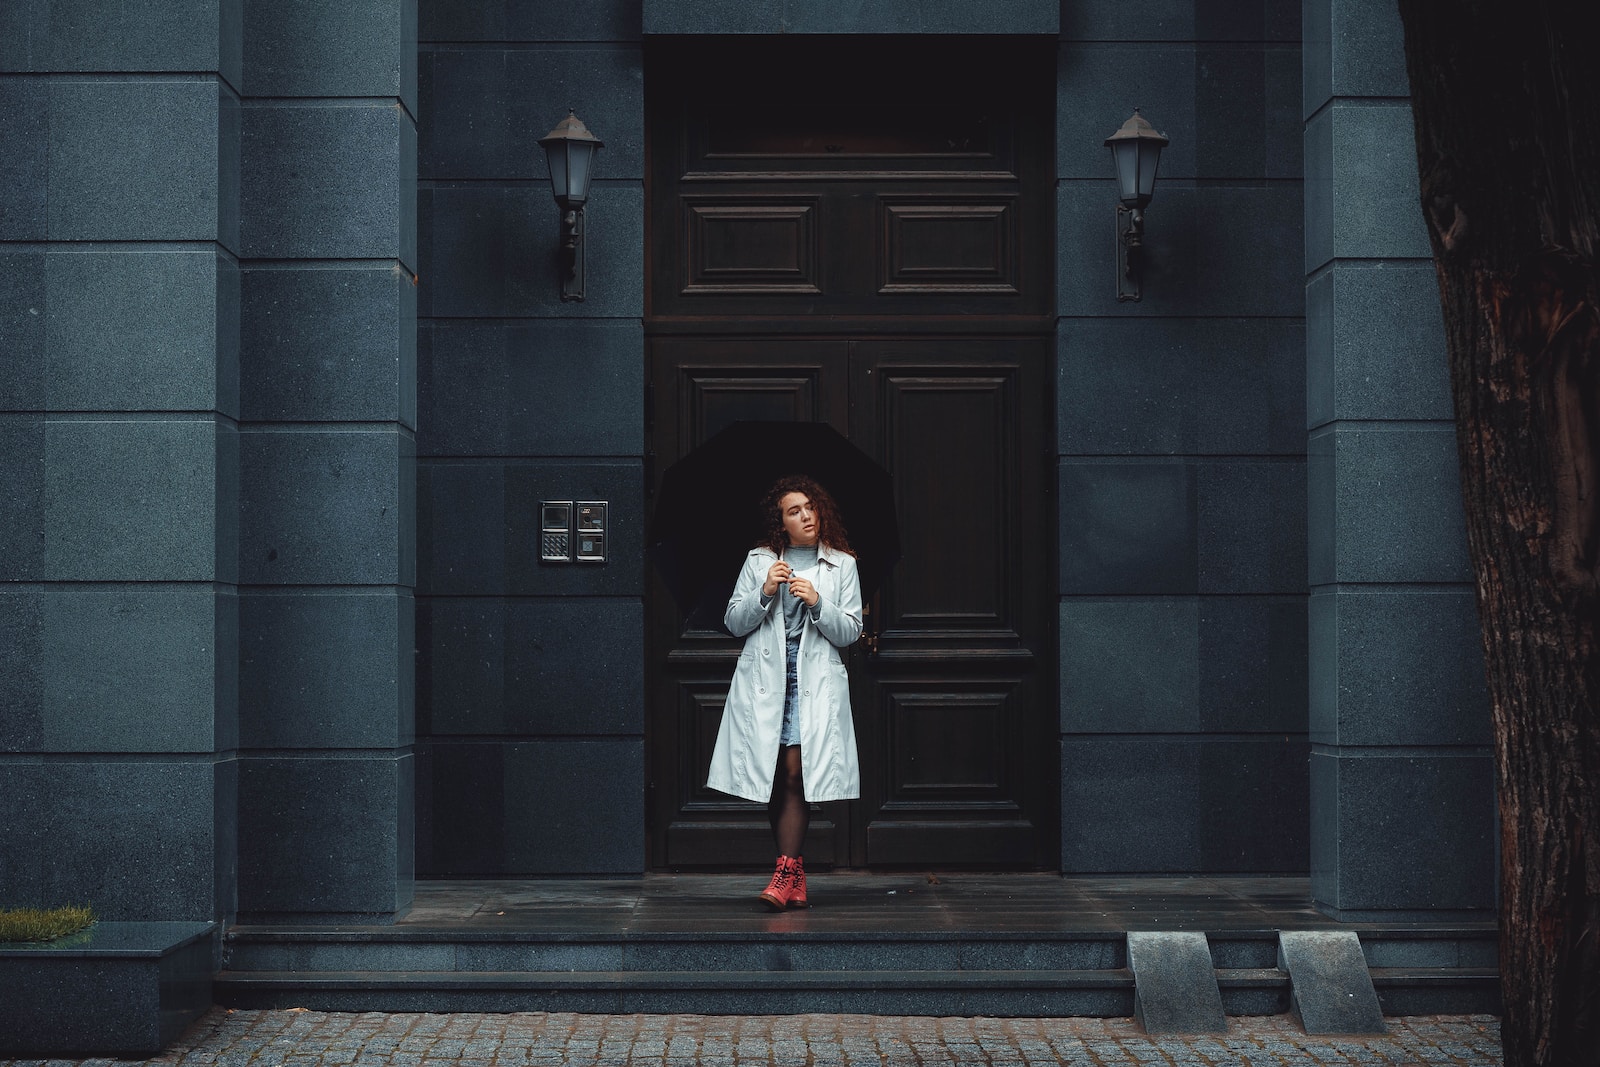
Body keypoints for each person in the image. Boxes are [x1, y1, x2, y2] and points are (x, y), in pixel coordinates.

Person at [706, 475, 863, 909]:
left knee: (797, 774)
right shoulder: (760, 561)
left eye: (811, 507)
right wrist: (765, 591)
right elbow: (734, 621)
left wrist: (817, 601)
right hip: (766, 685)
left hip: (813, 686)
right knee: (776, 779)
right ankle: (793, 878)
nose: (806, 516)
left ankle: (785, 871)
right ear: (781, 523)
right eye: (794, 511)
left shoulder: (842, 565)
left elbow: (850, 630)